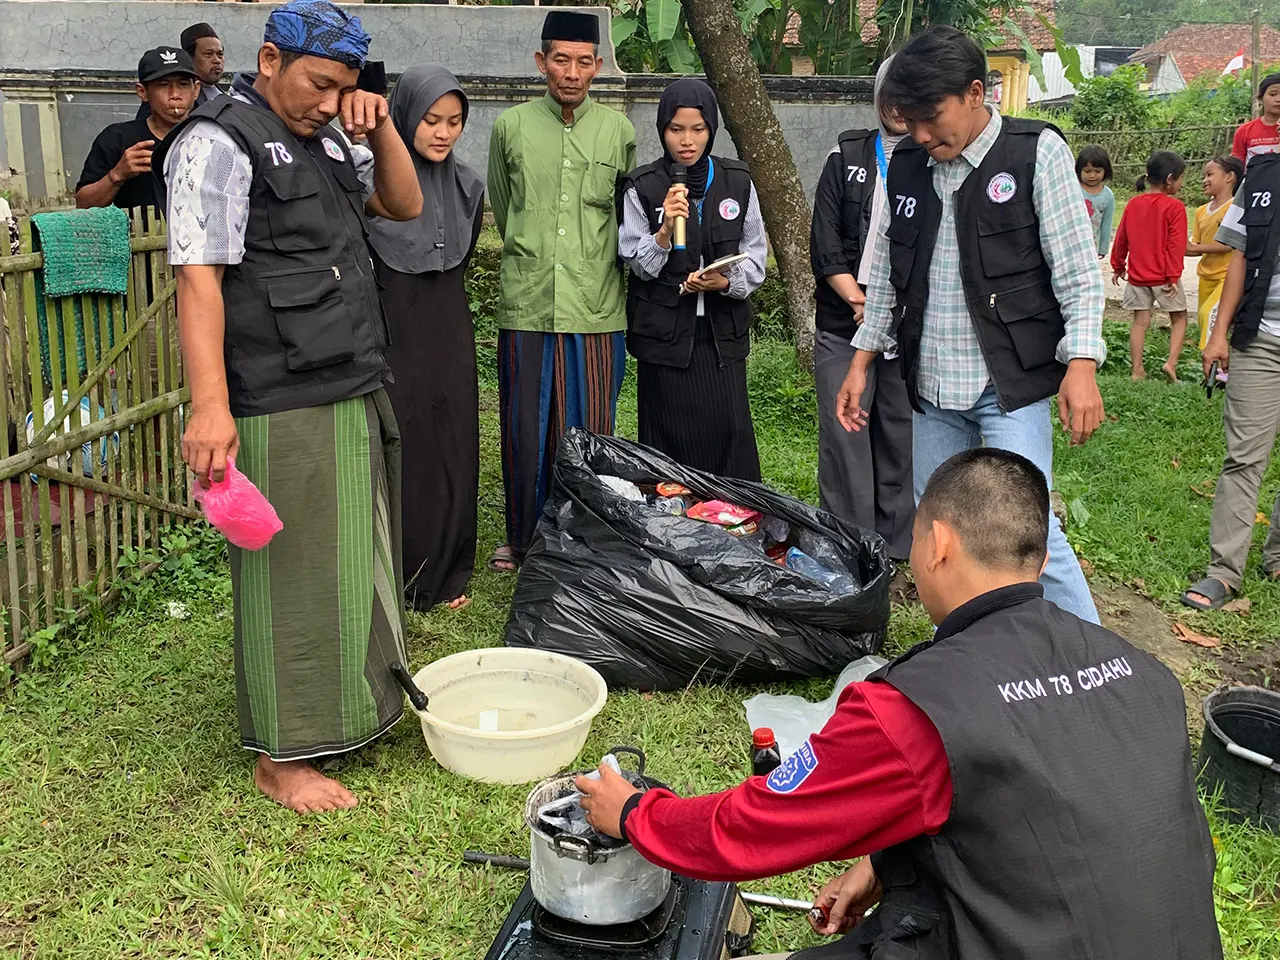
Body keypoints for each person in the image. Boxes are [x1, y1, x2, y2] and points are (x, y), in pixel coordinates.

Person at [577, 448, 1222, 960]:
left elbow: (756, 824)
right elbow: (1051, 821)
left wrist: (636, 812)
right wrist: (879, 871)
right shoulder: (1145, 673)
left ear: (938, 543)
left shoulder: (919, 710)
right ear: (1041, 556)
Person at [155, 0, 423, 813]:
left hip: (344, 374)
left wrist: (379, 127)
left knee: (351, 560)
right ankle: (282, 756)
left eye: (343, 87)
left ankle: (351, 713)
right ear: (269, 59)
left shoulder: (334, 136)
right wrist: (211, 406)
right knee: (294, 573)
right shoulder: (216, 142)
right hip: (278, 391)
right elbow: (198, 276)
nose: (328, 101)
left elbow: (404, 206)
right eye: (318, 83)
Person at [836, 27, 1106, 625]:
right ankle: (974, 656)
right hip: (930, 388)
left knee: (1026, 531)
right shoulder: (906, 162)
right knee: (942, 532)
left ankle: (1094, 658)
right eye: (910, 122)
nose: (923, 135)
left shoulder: (1035, 153)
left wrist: (1082, 364)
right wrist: (862, 360)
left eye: (932, 118)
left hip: (1009, 387)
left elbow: (1079, 274)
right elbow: (882, 270)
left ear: (977, 92)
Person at [486, 10, 636, 572]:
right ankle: (524, 540)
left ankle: (584, 542)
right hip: (527, 302)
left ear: (597, 66)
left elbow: (625, 218)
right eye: (560, 60)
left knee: (591, 428)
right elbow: (505, 207)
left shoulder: (618, 132)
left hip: (596, 306)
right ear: (540, 62)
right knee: (526, 427)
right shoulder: (512, 127)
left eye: (582, 62)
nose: (570, 72)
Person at [367, 65, 484, 613]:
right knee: (404, 442)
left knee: (454, 442)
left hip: (450, 332)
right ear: (405, 116)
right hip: (394, 332)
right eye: (431, 120)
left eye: (454, 121)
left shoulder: (470, 187)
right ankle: (404, 572)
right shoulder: (372, 185)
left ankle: (450, 571)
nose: (442, 132)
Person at [618, 78, 766, 480]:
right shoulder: (643, 186)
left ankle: (732, 527)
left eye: (698, 129)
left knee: (729, 438)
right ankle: (670, 532)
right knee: (665, 451)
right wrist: (665, 230)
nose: (687, 140)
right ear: (662, 129)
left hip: (721, 341)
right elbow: (638, 263)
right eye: (676, 129)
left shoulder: (739, 181)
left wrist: (726, 282)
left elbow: (756, 259)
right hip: (664, 342)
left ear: (712, 129)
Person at [809, 58, 914, 560]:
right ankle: (849, 546)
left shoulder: (933, 156)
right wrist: (857, 299)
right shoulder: (845, 153)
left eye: (906, 93)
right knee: (845, 434)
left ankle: (896, 549)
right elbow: (824, 239)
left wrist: (888, 311)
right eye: (886, 93)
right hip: (842, 317)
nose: (895, 104)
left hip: (907, 321)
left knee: (898, 431)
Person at [1184, 146, 1280, 610]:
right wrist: (1219, 332)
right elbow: (1238, 257)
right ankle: (1224, 572)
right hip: (1260, 337)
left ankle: (1277, 554)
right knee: (1244, 456)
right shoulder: (1261, 176)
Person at [76, 46, 199, 211]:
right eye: (163, 85)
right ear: (143, 92)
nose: (175, 94)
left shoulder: (210, 138)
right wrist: (117, 175)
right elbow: (83, 204)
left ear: (196, 90)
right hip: (138, 235)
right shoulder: (118, 138)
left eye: (183, 84)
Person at [1110, 151, 1189, 382]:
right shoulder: (1175, 208)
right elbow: (1176, 246)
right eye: (1181, 178)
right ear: (1170, 179)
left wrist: (1118, 265)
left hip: (1137, 276)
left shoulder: (1133, 204)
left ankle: (1136, 370)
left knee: (1140, 322)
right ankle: (1171, 363)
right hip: (1164, 277)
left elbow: (1121, 237)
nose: (1181, 184)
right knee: (1180, 318)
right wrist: (1173, 276)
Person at [1189, 155, 1244, 350]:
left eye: (1210, 174)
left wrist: (1193, 248)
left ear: (1230, 177)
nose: (1204, 180)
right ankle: (1215, 367)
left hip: (1226, 277)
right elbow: (1196, 245)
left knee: (1209, 314)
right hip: (1206, 277)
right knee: (1205, 321)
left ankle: (1211, 366)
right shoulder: (1200, 211)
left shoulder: (1236, 208)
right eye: (1204, 175)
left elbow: (1230, 244)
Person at [138, 23, 225, 120]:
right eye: (208, 54)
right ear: (190, 58)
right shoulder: (160, 102)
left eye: (220, 54)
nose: (217, 60)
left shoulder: (229, 98)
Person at [1075, 144, 1114, 258]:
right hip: (1073, 244)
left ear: (1105, 171)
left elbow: (1106, 224)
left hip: (1092, 248)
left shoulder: (1108, 196)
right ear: (1079, 170)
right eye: (1087, 171)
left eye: (1097, 171)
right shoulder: (1074, 189)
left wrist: (1103, 249)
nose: (1092, 175)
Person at [1232, 72, 1280, 163]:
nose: (1278, 99)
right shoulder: (1245, 131)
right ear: (1260, 99)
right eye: (1273, 94)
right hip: (1255, 177)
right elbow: (1236, 165)